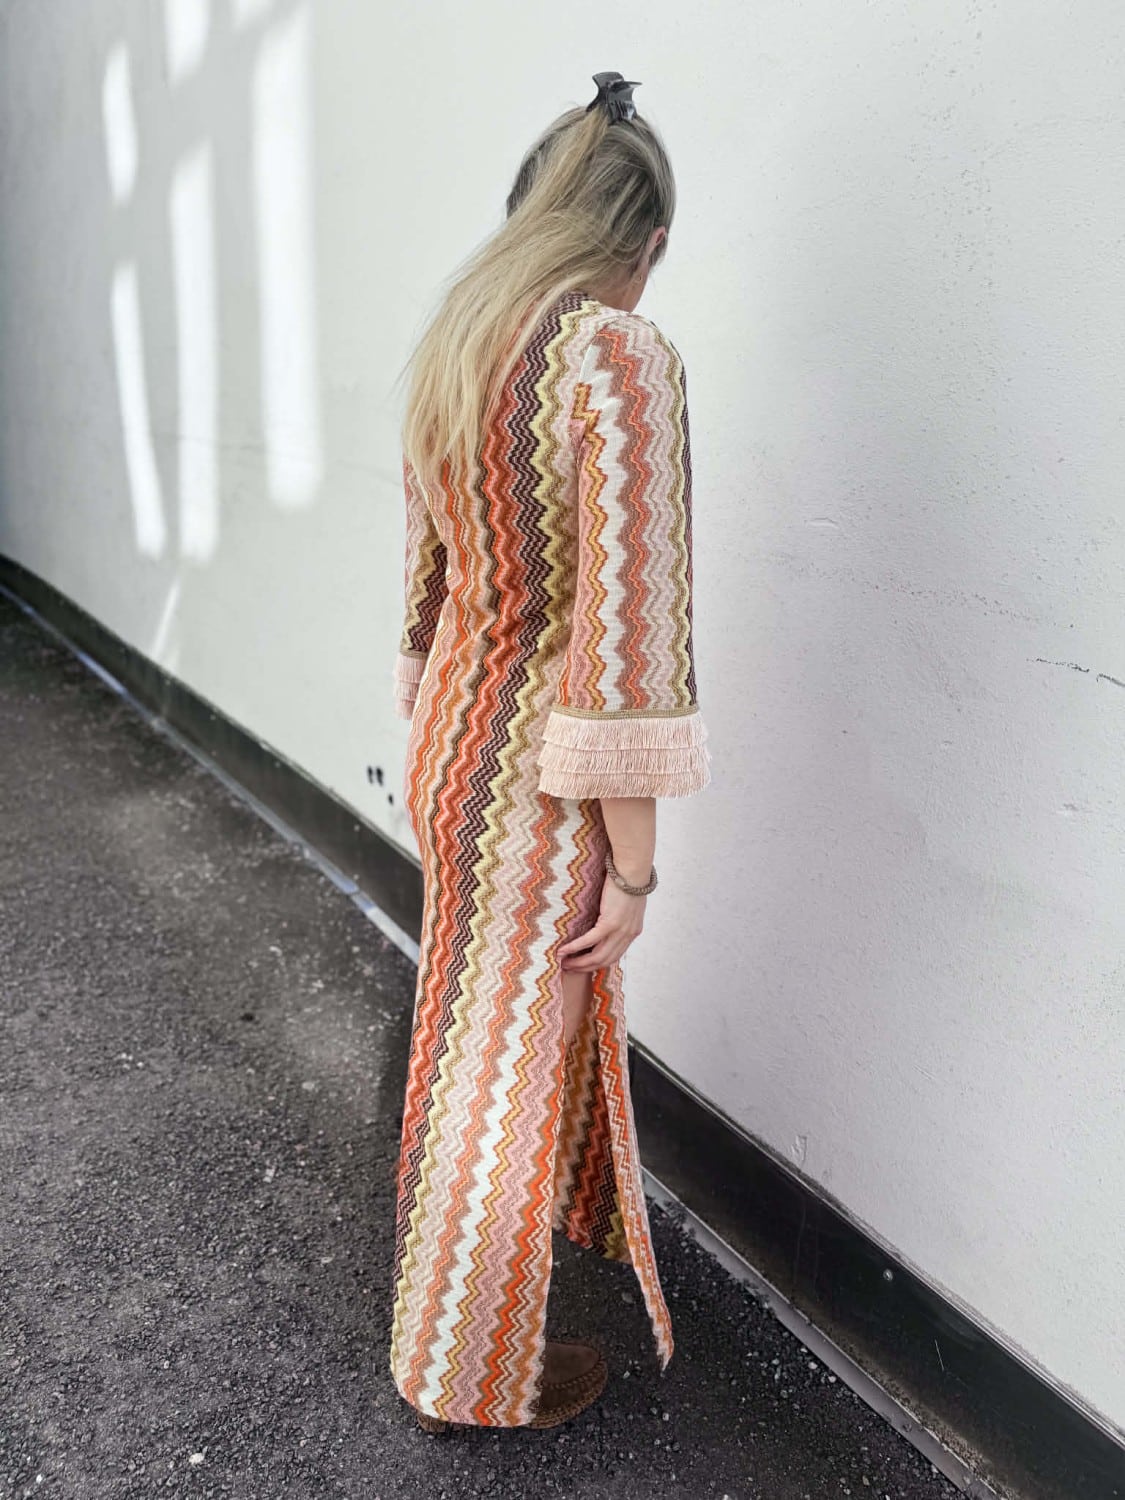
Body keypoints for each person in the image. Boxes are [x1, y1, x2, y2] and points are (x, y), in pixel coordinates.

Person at [389, 70, 712, 1434]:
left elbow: (426, 582)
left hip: (453, 748)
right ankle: (470, 1378)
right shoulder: (615, 358)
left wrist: (430, 711)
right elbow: (626, 639)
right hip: (542, 788)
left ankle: (452, 1341)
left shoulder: (463, 338)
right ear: (649, 241)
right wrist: (633, 870)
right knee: (506, 1086)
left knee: (466, 1046)